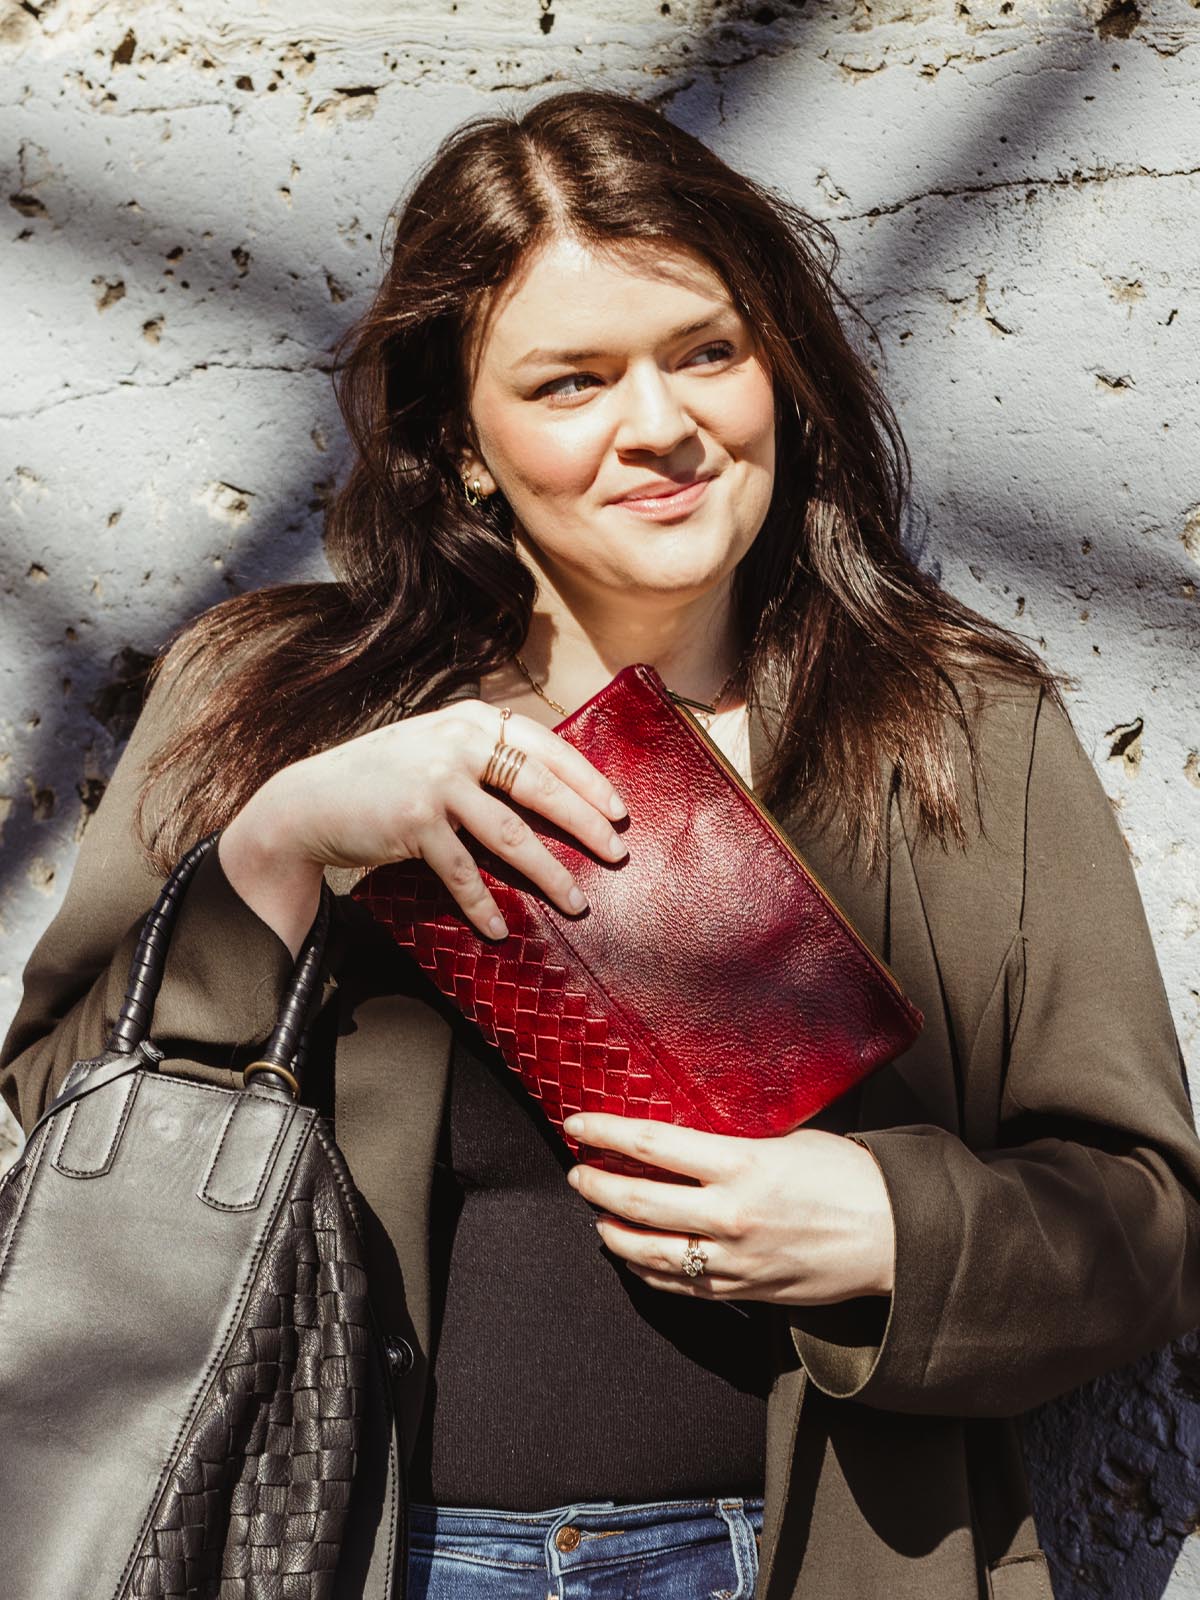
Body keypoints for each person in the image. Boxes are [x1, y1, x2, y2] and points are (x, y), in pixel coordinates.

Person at [3, 86, 1199, 1600]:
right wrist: (280, 851)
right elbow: (65, 1126)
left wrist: (895, 1229)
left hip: (808, 1561)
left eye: (708, 352)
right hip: (352, 1553)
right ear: (465, 443)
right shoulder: (267, 698)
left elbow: (1147, 1223)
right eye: (571, 383)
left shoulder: (960, 732)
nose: (661, 427)